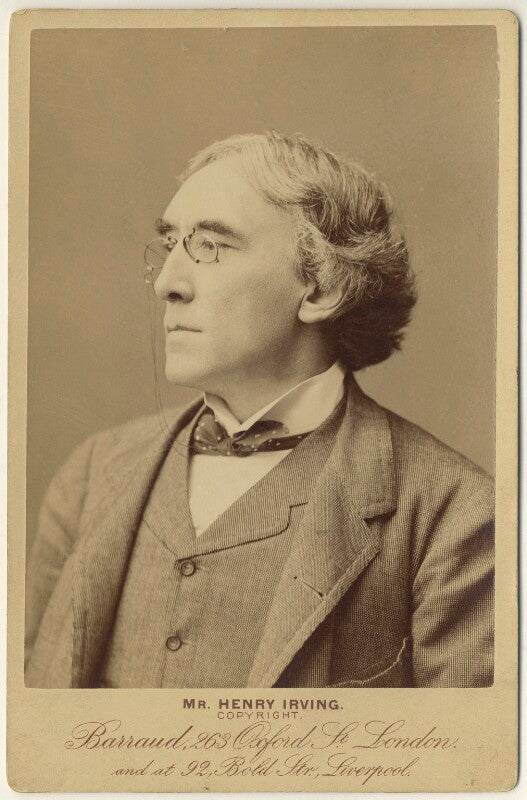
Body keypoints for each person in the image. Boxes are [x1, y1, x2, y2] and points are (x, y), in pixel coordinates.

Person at [25, 131, 494, 689]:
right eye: (171, 245)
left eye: (211, 246)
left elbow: (457, 745)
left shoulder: (455, 517)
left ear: (320, 288)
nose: (167, 284)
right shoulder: (90, 476)